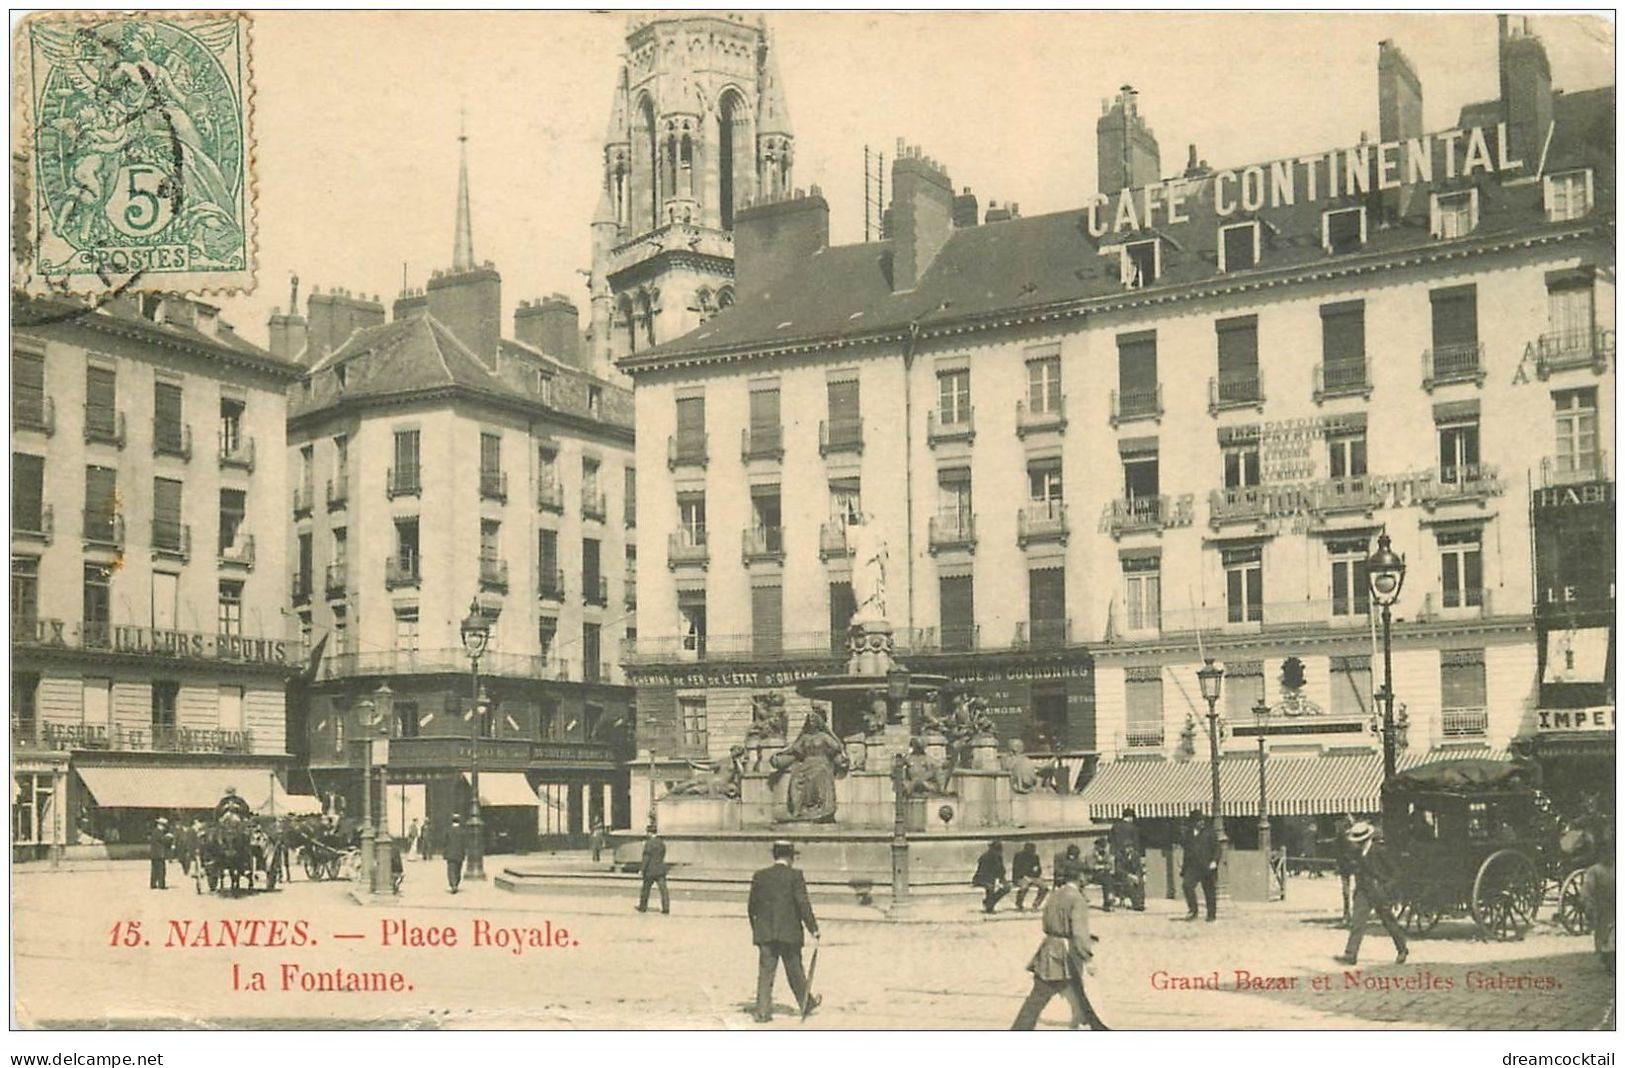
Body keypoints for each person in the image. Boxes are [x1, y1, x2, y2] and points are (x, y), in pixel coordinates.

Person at [1010, 860, 1109, 1030]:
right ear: (1080, 876)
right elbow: (1078, 931)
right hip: (1066, 953)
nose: (1088, 878)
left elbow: (1049, 923)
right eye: (1086, 874)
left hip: (1049, 947)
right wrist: (1088, 957)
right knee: (1043, 995)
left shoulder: (1055, 894)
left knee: (1079, 994)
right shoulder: (1077, 899)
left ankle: (1098, 1027)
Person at [747, 839, 821, 1023]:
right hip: (789, 933)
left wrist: (757, 929)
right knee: (795, 971)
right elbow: (802, 904)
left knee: (765, 974)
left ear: (774, 855)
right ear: (790, 857)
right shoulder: (795, 876)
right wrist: (813, 928)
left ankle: (763, 1012)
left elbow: (751, 907)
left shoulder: (760, 876)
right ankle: (806, 1003)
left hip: (766, 933)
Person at [1335, 821, 1407, 966]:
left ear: (1367, 839)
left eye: (1360, 841)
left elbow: (1397, 872)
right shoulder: (1356, 853)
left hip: (1379, 891)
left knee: (1389, 922)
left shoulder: (1380, 851)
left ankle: (1402, 949)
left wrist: (1386, 887)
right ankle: (1351, 955)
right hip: (1363, 891)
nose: (1358, 843)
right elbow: (1354, 869)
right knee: (1357, 923)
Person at [1582, 834, 1616, 975]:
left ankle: (1613, 960)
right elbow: (1588, 890)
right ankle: (1607, 960)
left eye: (1611, 853)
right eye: (1605, 853)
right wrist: (1589, 905)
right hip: (1602, 906)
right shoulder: (1594, 871)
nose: (1608, 856)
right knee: (1603, 934)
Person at [1180, 809, 1220, 921]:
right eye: (1198, 820)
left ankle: (1211, 914)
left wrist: (1214, 861)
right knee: (1187, 885)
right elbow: (1187, 852)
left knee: (1209, 890)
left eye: (1202, 820)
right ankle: (1193, 910)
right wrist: (1184, 868)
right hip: (1193, 867)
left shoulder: (1210, 833)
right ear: (1193, 822)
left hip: (1207, 866)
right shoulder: (1188, 834)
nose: (1201, 822)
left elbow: (1217, 849)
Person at [1110, 807, 1146, 911]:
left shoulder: (1115, 826)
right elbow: (1136, 844)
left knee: (1127, 878)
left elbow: (1111, 842)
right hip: (1129, 860)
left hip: (1118, 856)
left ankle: (1136, 903)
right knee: (1136, 880)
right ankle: (1139, 902)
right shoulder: (1133, 828)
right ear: (1130, 817)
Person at [637, 825, 670, 914]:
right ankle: (666, 908)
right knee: (663, 890)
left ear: (649, 833)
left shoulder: (648, 844)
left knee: (645, 889)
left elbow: (646, 858)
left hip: (650, 870)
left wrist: (641, 869)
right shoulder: (661, 843)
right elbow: (662, 855)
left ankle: (643, 907)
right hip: (660, 869)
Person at [973, 840, 1011, 914]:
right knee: (990, 887)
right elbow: (983, 872)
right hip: (982, 878)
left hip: (993, 879)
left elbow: (1002, 870)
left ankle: (989, 902)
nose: (998, 852)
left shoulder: (999, 858)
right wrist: (996, 880)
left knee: (1007, 887)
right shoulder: (985, 857)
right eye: (997, 850)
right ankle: (990, 907)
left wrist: (1002, 880)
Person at [1012, 841, 1047, 911]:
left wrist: (1036, 870)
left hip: (1033, 877)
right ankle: (1019, 903)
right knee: (1024, 887)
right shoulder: (1018, 856)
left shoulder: (1035, 857)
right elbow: (1016, 870)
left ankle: (1036, 904)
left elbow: (1039, 871)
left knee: (1044, 887)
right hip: (1021, 877)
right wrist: (1024, 876)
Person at [1087, 838, 1117, 911]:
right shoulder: (1091, 854)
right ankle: (1109, 900)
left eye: (1104, 847)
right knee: (1108, 880)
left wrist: (1102, 866)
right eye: (1101, 847)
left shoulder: (1106, 854)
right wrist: (1102, 866)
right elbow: (1090, 867)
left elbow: (1111, 865)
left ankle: (1108, 902)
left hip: (1104, 876)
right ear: (1097, 846)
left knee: (1107, 880)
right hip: (1093, 875)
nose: (1102, 849)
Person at [443, 814, 467, 894]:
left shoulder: (448, 830)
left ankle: (453, 884)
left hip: (450, 854)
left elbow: (445, 843)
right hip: (459, 854)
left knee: (451, 870)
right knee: (458, 870)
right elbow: (464, 844)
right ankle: (456, 883)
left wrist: (445, 853)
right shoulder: (462, 831)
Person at [149, 817, 172, 890]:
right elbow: (163, 841)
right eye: (164, 826)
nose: (165, 827)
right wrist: (169, 837)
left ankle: (153, 884)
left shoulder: (154, 832)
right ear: (161, 825)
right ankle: (161, 885)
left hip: (154, 854)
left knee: (154, 870)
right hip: (159, 854)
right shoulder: (159, 832)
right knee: (161, 870)